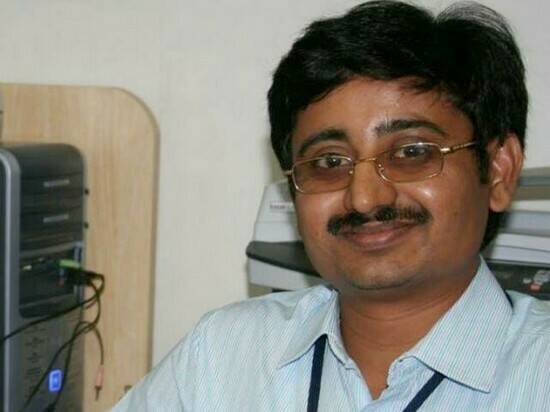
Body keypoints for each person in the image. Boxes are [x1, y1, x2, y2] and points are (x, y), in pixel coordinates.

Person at [113, 1, 550, 410]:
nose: (365, 197)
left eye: (411, 152)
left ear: (499, 170)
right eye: (329, 162)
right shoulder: (221, 357)